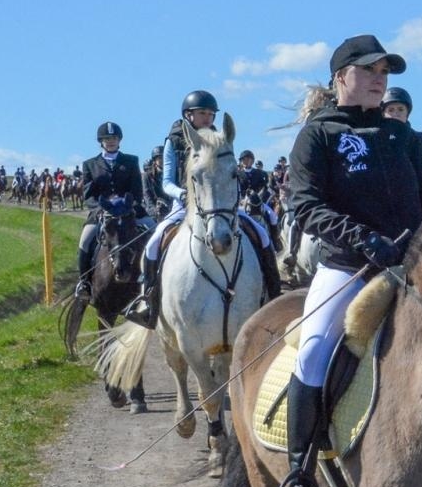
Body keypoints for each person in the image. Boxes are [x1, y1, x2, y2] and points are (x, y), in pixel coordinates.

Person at [269, 34, 422, 487]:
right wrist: (365, 240)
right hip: (348, 267)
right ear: (340, 78)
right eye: (370, 70)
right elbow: (304, 205)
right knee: (313, 350)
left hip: (413, 268)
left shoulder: (404, 138)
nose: (380, 78)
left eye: (385, 72)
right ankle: (299, 476)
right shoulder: (319, 135)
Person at [126, 90, 279, 328]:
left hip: (221, 206)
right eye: (202, 113)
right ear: (189, 115)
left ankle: (274, 293)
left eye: (210, 114)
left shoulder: (220, 139)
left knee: (260, 234)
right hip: (185, 204)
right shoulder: (174, 141)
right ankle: (147, 301)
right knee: (153, 244)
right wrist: (183, 194)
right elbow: (166, 182)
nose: (208, 118)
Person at [74, 121, 153, 299]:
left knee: (155, 230)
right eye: (107, 138)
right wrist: (102, 208)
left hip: (129, 211)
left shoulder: (131, 161)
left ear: (119, 140)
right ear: (101, 141)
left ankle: (154, 279)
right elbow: (89, 195)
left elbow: (136, 191)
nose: (111, 141)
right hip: (102, 213)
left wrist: (128, 205)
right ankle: (84, 283)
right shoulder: (90, 164)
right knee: (85, 241)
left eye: (114, 138)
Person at [381, 86, 422, 175]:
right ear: (383, 114)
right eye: (391, 110)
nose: (396, 114)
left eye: (400, 109)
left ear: (407, 112)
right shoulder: (375, 140)